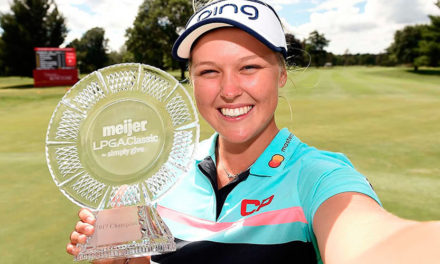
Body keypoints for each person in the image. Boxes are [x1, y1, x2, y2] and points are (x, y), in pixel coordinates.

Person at [67, 0, 440, 263]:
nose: (229, 90)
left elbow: (375, 242)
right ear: (192, 80)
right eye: (209, 71)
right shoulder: (160, 170)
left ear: (281, 74)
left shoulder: (318, 177)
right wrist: (125, 262)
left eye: (249, 67)